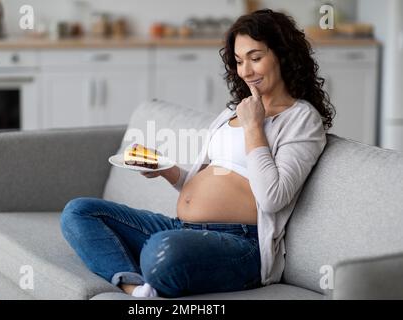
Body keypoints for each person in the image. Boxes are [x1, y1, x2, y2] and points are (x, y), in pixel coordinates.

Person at [60, 9, 335, 298]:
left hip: (241, 243)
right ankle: (135, 287)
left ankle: (155, 270)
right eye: (240, 61)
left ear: (283, 55)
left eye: (256, 58)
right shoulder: (233, 110)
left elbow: (272, 197)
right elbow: (202, 179)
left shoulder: (302, 119)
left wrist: (254, 126)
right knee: (78, 212)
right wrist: (166, 170)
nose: (246, 71)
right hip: (183, 230)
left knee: (160, 250)